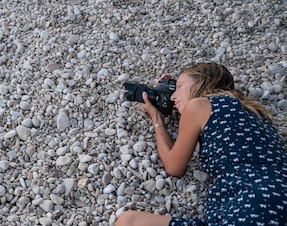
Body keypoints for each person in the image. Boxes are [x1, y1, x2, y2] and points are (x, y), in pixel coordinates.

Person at [116, 62, 287, 226]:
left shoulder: (198, 106)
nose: (174, 97)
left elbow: (174, 167)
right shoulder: (257, 114)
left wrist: (157, 118)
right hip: (278, 195)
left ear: (202, 83)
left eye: (179, 87)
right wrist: (169, 89)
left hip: (251, 207)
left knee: (128, 221)